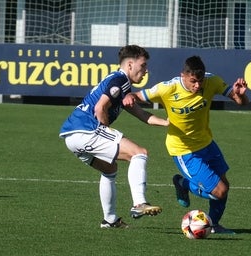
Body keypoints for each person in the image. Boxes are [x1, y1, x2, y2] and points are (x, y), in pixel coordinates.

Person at [123, 55, 249, 234]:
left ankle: (213, 225)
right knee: (218, 191)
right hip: (184, 151)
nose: (198, 86)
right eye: (193, 82)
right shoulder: (167, 88)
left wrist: (240, 95)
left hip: (207, 143)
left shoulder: (211, 81)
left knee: (224, 187)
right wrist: (129, 95)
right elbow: (137, 95)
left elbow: (241, 102)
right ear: (183, 75)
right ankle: (182, 184)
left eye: (200, 81)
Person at [59, 45, 169, 229]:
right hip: (87, 129)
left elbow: (143, 115)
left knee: (110, 170)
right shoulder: (121, 80)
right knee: (139, 153)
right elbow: (99, 108)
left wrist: (167, 123)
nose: (145, 71)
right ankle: (139, 203)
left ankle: (110, 220)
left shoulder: (120, 85)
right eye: (143, 66)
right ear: (130, 65)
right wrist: (105, 132)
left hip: (71, 136)